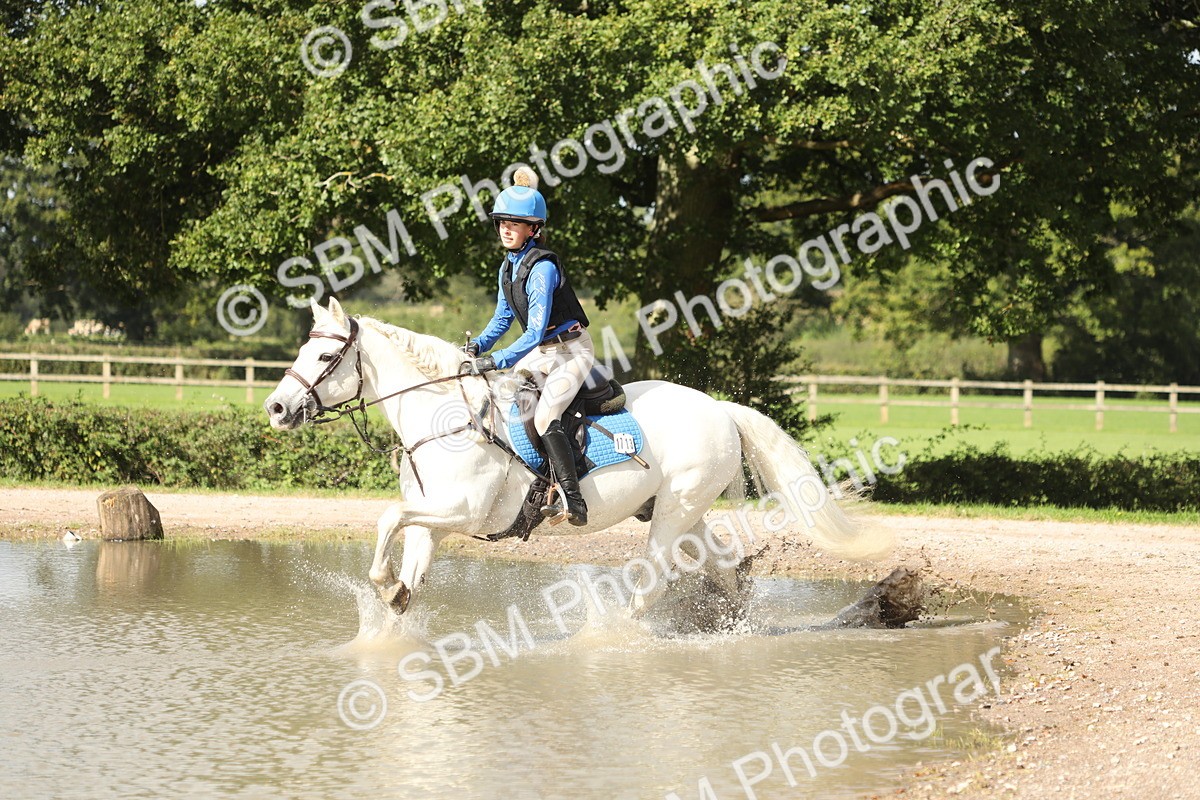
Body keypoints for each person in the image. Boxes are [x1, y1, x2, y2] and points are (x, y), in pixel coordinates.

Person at [465, 167, 594, 525]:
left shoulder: (543, 269)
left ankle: (573, 498)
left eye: (515, 223)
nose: (506, 229)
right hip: (544, 352)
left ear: (533, 229)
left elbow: (534, 332)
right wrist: (477, 347)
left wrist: (497, 359)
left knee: (544, 415)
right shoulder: (508, 267)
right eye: (502, 222)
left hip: (571, 350)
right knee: (503, 399)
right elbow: (502, 319)